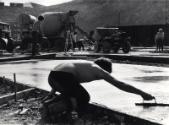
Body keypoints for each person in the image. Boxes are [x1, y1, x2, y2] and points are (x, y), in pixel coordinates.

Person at [43, 57, 155, 117]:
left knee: (74, 93)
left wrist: (51, 94)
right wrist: (142, 93)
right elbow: (120, 84)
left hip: (52, 77)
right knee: (84, 97)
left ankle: (49, 106)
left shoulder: (84, 65)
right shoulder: (98, 69)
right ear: (105, 68)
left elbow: (60, 78)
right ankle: (78, 117)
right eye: (107, 73)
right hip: (62, 78)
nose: (105, 76)